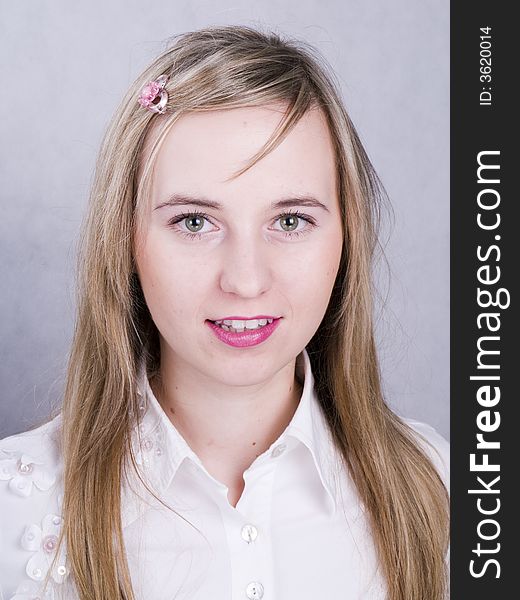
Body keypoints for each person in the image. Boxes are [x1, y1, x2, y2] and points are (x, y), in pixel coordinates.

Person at [0, 25, 449, 600]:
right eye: (194, 222)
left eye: (290, 221)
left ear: (347, 238)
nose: (245, 279)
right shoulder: (19, 512)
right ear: (127, 242)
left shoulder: (445, 489)